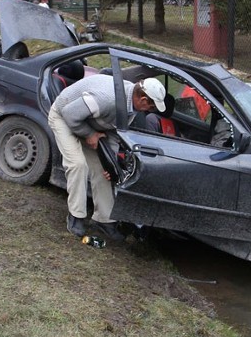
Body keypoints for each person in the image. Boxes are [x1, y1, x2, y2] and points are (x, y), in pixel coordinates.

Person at [48, 75, 167, 241]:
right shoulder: (109, 98)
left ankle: (104, 220)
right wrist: (89, 135)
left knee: (103, 170)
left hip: (88, 123)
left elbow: (112, 132)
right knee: (78, 164)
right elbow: (69, 114)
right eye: (152, 106)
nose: (151, 110)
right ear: (143, 99)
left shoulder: (130, 106)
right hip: (64, 117)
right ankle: (76, 216)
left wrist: (109, 163)